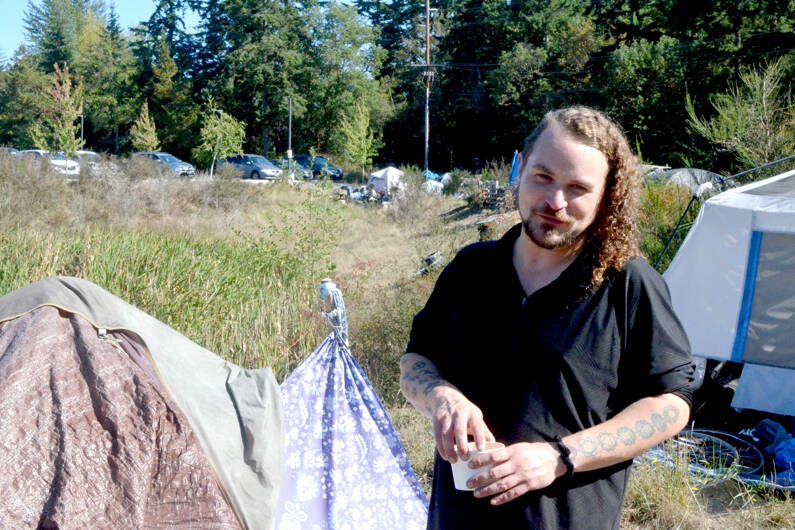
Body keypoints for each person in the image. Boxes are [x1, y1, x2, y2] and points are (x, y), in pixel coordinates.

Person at [400, 106, 696, 529]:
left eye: (577, 188)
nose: (555, 202)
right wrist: (442, 397)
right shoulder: (472, 269)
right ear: (520, 167)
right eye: (543, 177)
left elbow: (671, 404)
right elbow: (416, 360)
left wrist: (560, 457)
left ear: (606, 196)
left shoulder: (627, 283)